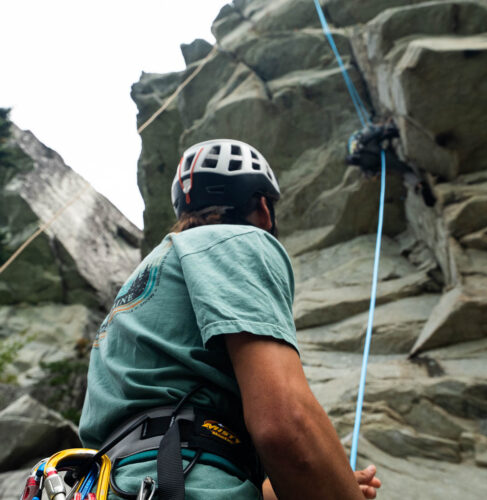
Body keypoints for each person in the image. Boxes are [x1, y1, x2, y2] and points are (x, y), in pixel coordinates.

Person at [79, 139, 381, 499]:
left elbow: (173, 444)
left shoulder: (139, 287)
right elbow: (285, 425)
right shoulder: (242, 240)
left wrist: (329, 480)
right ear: (264, 208)